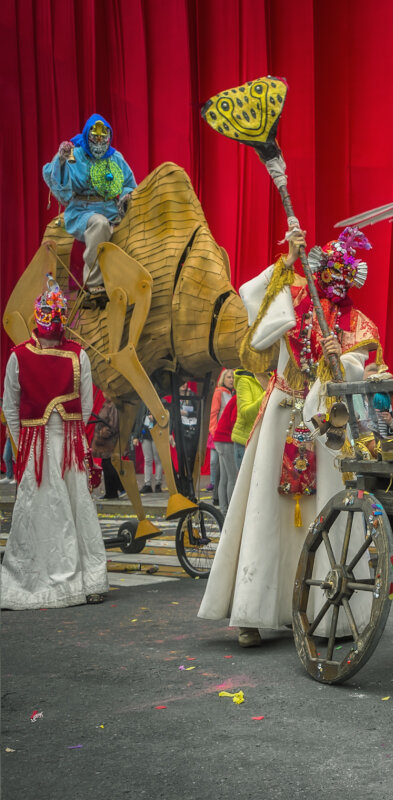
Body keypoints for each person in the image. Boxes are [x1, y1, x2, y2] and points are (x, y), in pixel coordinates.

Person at [199, 226, 383, 647]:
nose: (334, 278)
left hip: (321, 425)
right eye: (329, 269)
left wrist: (344, 362)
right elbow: (251, 292)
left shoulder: (357, 323)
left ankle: (323, 609)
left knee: (325, 513)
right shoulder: (294, 293)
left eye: (343, 272)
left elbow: (359, 371)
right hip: (281, 412)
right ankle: (252, 610)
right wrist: (287, 258)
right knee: (266, 514)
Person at [1, 278, 108, 608]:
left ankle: (89, 579)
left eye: (57, 312)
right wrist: (26, 447)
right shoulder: (19, 357)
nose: (53, 318)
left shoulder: (79, 356)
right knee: (44, 511)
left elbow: (86, 405)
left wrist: (69, 439)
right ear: (37, 315)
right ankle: (52, 577)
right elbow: (10, 406)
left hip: (68, 447)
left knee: (77, 508)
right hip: (39, 448)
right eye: (47, 312)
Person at [42, 115, 137, 302]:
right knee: (100, 224)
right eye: (96, 137)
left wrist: (126, 195)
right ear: (88, 136)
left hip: (111, 209)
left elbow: (129, 183)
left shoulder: (115, 158)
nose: (100, 142)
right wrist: (61, 160)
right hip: (82, 210)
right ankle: (94, 285)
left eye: (104, 138)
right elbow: (59, 185)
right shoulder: (74, 154)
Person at [210, 380, 238, 510]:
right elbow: (233, 420)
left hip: (220, 438)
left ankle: (223, 510)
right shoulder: (237, 399)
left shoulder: (234, 398)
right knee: (232, 477)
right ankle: (230, 511)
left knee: (224, 478)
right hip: (226, 439)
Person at [231, 369, 266, 469]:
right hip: (245, 442)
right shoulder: (244, 381)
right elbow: (245, 412)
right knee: (245, 483)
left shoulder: (271, 377)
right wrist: (266, 395)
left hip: (263, 441)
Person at [207, 370, 235, 493]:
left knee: (223, 471)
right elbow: (213, 413)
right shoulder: (219, 392)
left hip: (229, 436)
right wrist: (213, 432)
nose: (231, 380)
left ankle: (217, 496)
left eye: (233, 377)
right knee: (215, 463)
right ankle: (214, 488)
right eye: (228, 377)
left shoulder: (234, 394)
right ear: (223, 379)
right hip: (219, 435)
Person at [91, 395, 123, 499]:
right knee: (106, 464)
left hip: (110, 441)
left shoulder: (113, 405)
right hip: (104, 442)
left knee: (109, 465)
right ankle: (111, 492)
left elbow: (114, 424)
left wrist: (104, 432)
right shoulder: (106, 404)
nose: (103, 393)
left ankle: (121, 487)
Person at [137, 405, 164, 492]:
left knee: (158, 459)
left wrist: (155, 420)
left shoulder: (161, 402)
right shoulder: (144, 404)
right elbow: (139, 420)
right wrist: (136, 435)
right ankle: (147, 484)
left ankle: (158, 484)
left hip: (157, 434)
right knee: (147, 459)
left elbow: (165, 419)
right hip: (145, 433)